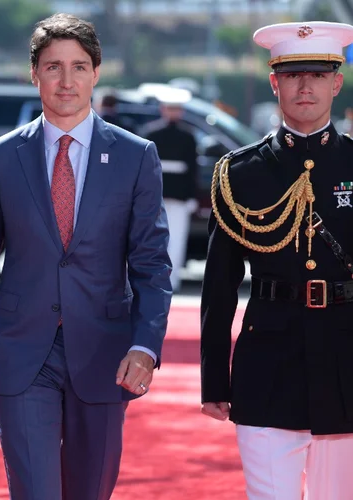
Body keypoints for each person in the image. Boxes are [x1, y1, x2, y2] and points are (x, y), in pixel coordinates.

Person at [0, 13, 172, 500]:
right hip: (22, 352)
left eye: (79, 67)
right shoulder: (1, 156)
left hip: (106, 353)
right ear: (33, 74)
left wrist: (146, 347)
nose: (66, 80)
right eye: (53, 66)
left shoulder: (135, 156)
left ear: (96, 73)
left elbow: (152, 266)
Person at [201, 21, 353, 499]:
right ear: (274, 82)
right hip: (268, 364)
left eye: (317, 73)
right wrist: (213, 380)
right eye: (292, 75)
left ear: (337, 81)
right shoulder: (239, 173)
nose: (305, 86)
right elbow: (219, 286)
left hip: (347, 362)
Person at [141, 88, 199, 292]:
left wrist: (191, 196)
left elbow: (192, 169)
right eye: (170, 108)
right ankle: (155, 278)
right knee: (155, 240)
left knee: (176, 240)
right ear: (163, 109)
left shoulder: (187, 136)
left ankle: (171, 280)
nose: (174, 112)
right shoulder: (150, 133)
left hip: (179, 197)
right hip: (157, 196)